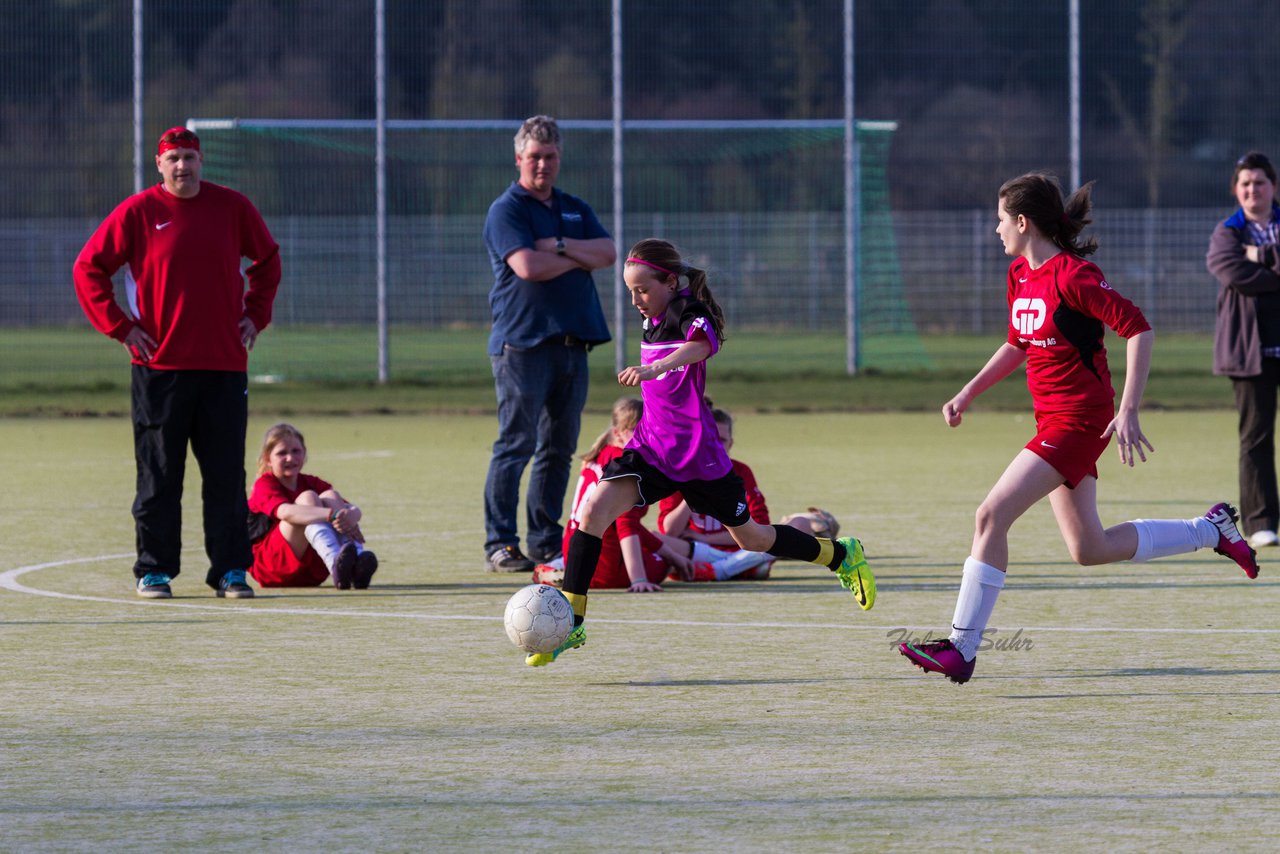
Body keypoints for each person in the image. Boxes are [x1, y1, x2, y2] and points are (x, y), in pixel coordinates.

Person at [899, 172, 1260, 685]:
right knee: (1088, 548)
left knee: (990, 516)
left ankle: (961, 647)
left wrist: (1129, 407)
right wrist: (968, 392)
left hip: (1080, 422)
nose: (995, 229)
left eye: (1000, 219)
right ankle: (1212, 530)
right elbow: (1018, 343)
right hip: (1053, 421)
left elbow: (1138, 328)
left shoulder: (1074, 276)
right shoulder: (1021, 275)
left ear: (1023, 222)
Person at [524, 238, 876, 667]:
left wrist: (655, 367)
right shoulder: (653, 314)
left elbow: (701, 346)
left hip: (697, 458)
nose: (636, 299)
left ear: (670, 281)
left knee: (755, 539)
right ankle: (573, 621)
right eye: (630, 291)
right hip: (652, 448)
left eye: (643, 289)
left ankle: (842, 555)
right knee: (594, 510)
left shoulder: (689, 312)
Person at [73, 126, 281, 600]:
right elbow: (89, 268)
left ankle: (230, 570)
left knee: (226, 477)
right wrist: (123, 328)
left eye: (190, 157)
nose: (183, 166)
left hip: (224, 366)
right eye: (174, 159)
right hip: (160, 367)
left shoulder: (232, 207)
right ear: (159, 164)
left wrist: (255, 316)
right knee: (159, 476)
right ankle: (154, 570)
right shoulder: (138, 212)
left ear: (201, 161)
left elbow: (267, 261)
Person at [481, 115, 616, 575]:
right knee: (516, 444)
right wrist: (575, 257)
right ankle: (500, 542)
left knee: (559, 447)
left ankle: (542, 541)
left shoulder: (573, 207)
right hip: (523, 345)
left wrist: (557, 245)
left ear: (560, 158)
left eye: (550, 156)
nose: (542, 164)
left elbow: (607, 254)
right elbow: (527, 267)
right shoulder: (508, 210)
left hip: (572, 344)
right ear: (519, 158)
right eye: (534, 156)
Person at [534, 397, 693, 591]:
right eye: (640, 432)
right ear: (618, 434)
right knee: (665, 564)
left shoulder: (603, 454)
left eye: (652, 431)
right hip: (604, 571)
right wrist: (639, 579)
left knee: (662, 549)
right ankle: (714, 568)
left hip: (577, 560)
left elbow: (622, 523)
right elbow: (626, 525)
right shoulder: (626, 465)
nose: (649, 438)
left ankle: (560, 566)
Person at [1207, 152, 1280, 550]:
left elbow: (1253, 273)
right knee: (1256, 437)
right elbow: (1231, 271)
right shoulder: (1227, 233)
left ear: (1274, 188)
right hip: (1250, 352)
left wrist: (1261, 258)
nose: (1253, 189)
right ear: (1237, 191)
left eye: (1261, 182)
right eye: (1246, 184)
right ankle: (1261, 521)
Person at [659, 405, 802, 582]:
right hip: (697, 550)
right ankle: (744, 569)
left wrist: (703, 536)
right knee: (653, 540)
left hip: (741, 549)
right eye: (709, 439)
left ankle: (719, 571)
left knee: (799, 525)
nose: (715, 446)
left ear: (731, 443)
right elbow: (669, 532)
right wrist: (694, 490)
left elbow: (761, 526)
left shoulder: (741, 472)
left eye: (722, 440)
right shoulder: (680, 471)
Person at [246, 423, 378, 590]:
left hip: (311, 572)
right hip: (273, 568)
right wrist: (332, 515)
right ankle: (335, 564)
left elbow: (347, 508)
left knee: (330, 496)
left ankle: (356, 564)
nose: (290, 458)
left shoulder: (311, 481)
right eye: (282, 453)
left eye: (296, 451)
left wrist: (353, 515)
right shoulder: (264, 484)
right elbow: (286, 512)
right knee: (308, 498)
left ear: (304, 453)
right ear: (267, 458)